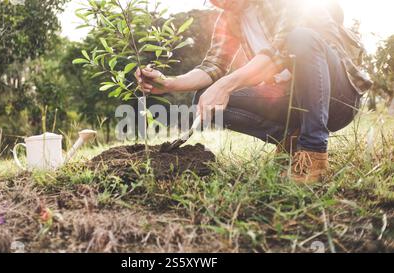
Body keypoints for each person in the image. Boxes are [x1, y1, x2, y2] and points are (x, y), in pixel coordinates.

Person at [134, 0, 372, 183]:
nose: (219, 3)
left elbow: (280, 53)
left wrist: (226, 85)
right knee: (205, 100)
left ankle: (313, 153)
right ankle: (289, 140)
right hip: (293, 99)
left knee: (301, 38)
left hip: (337, 98)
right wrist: (169, 83)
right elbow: (213, 66)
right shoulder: (229, 18)